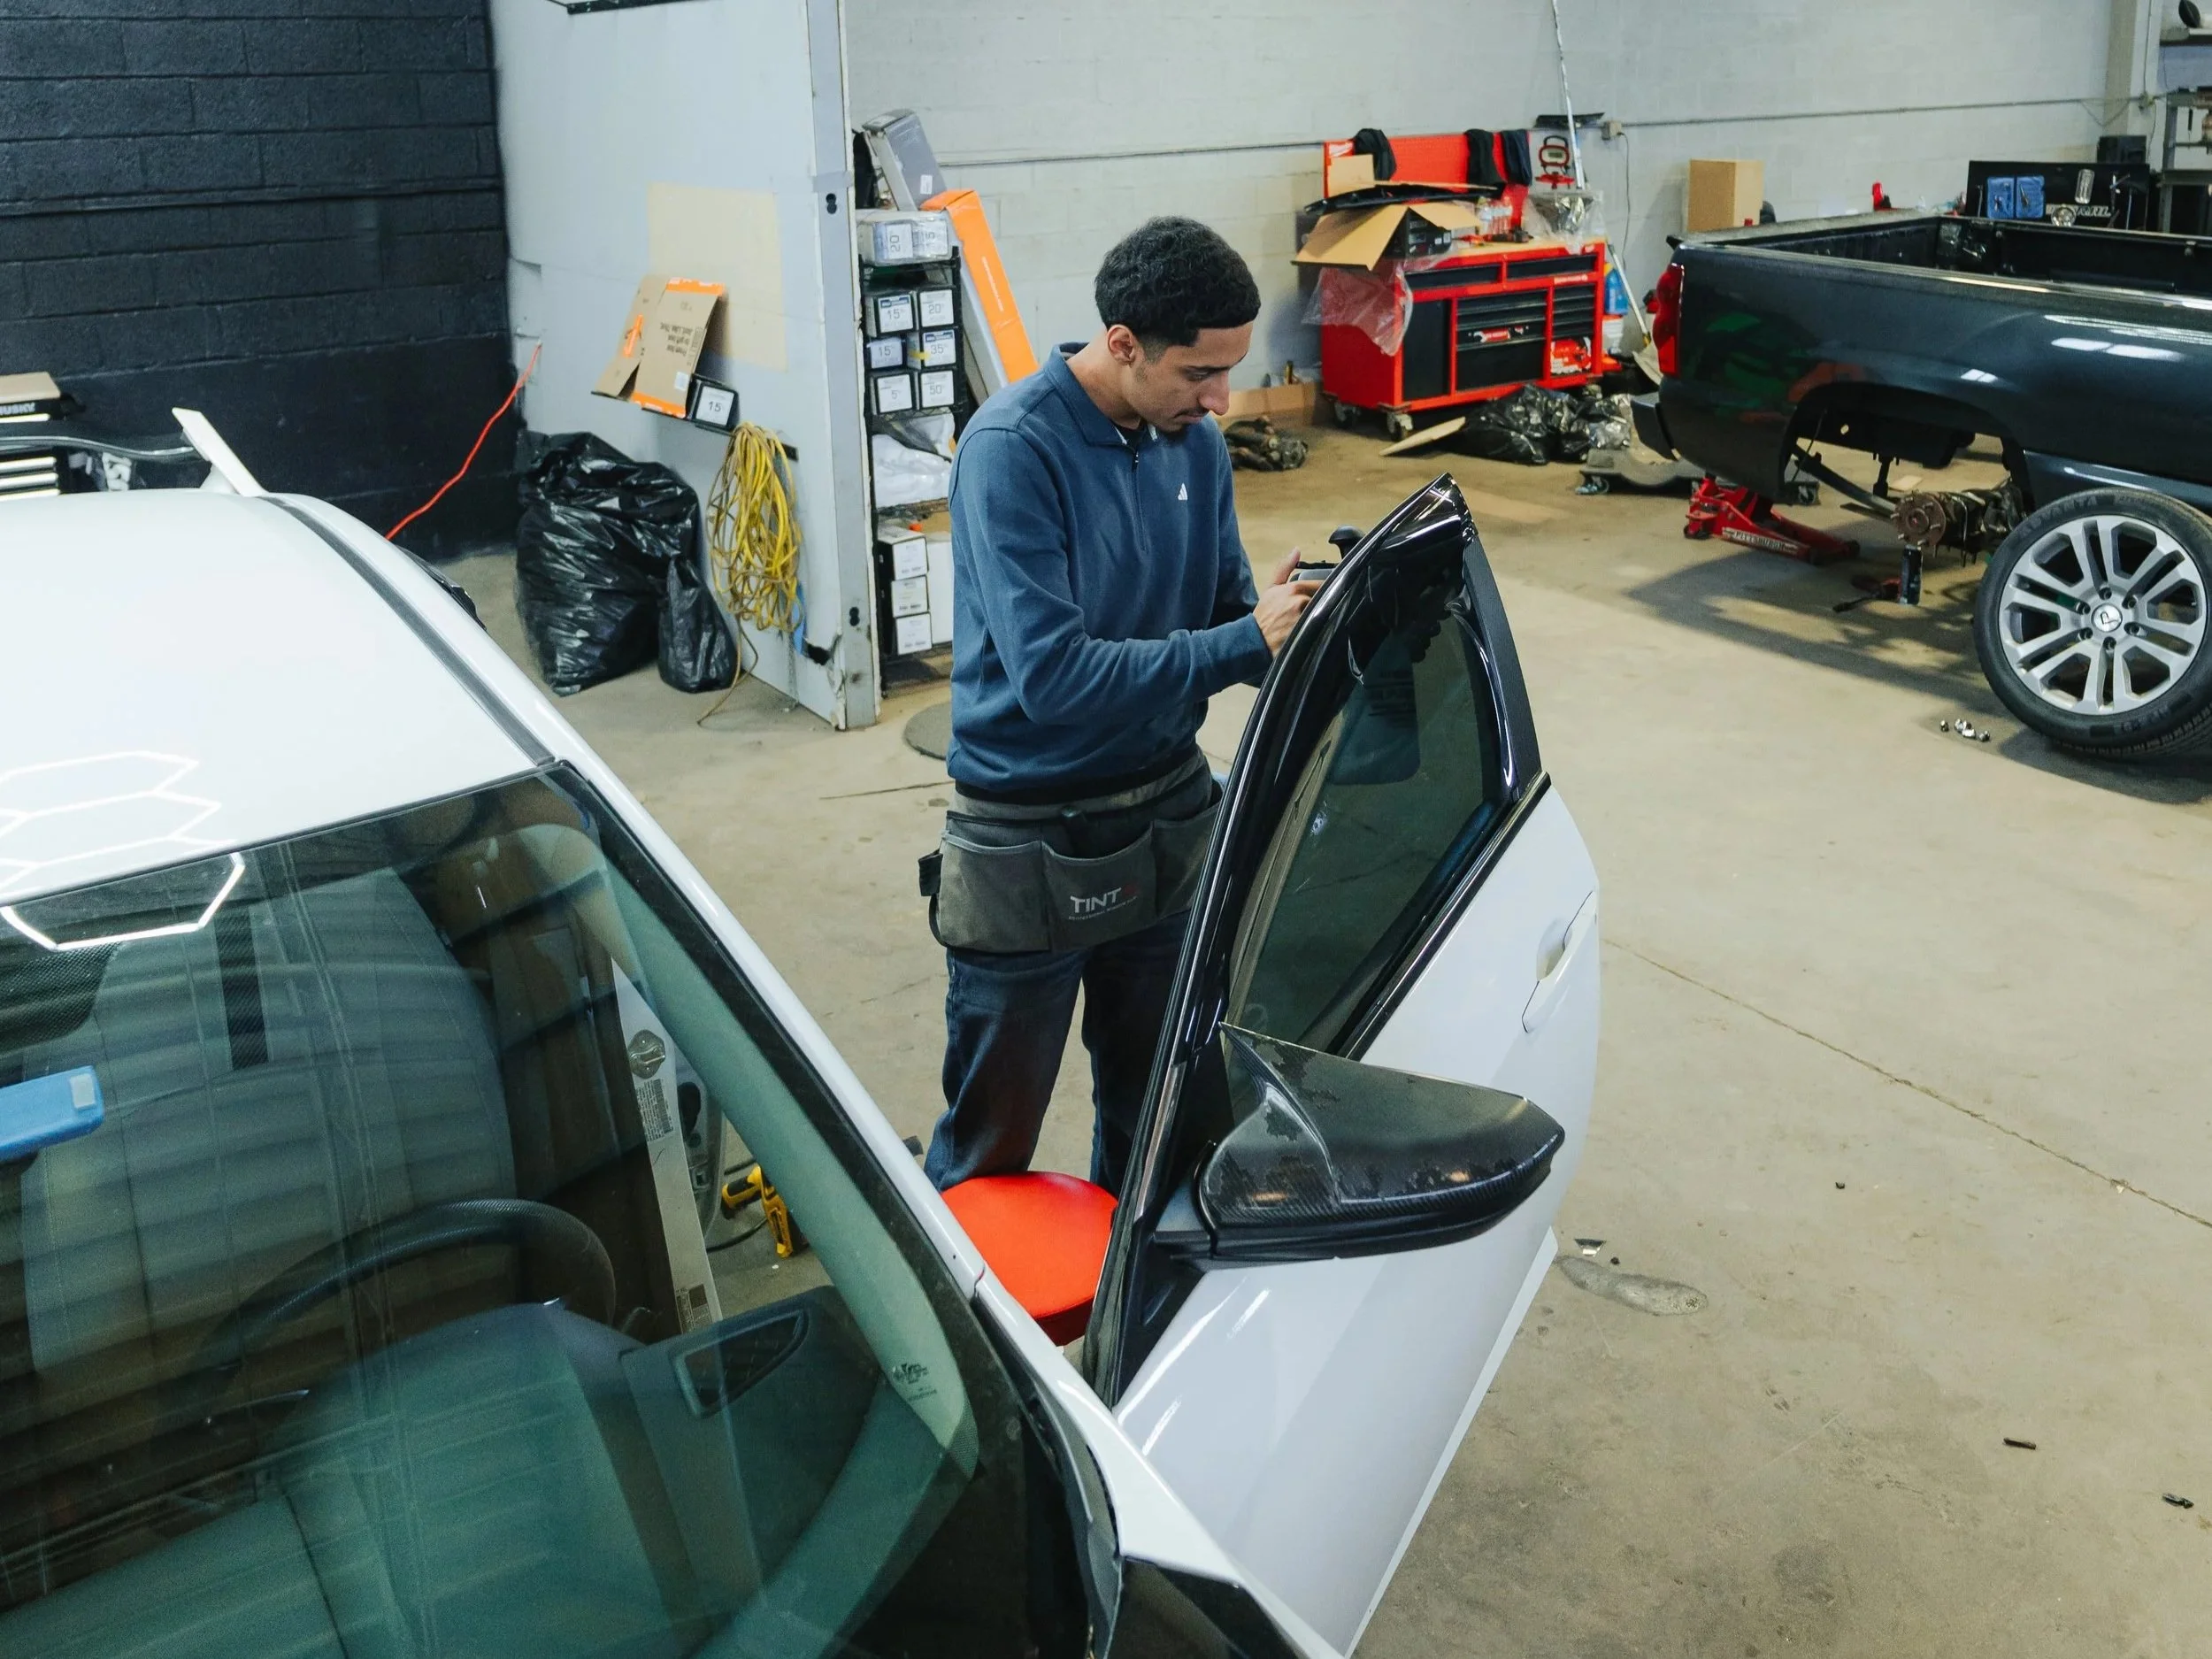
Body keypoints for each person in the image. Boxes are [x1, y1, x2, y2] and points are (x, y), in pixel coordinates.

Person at [919, 216, 1317, 1196]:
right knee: (992, 1137)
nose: (1221, 400)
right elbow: (1052, 678)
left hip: (1167, 817)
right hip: (1028, 832)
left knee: (1155, 1115)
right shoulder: (1013, 449)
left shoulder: (1195, 446)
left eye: (1231, 370)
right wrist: (1242, 641)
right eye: (1199, 373)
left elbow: (1225, 614)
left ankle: (1121, 1282)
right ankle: (961, 1293)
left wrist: (1314, 625)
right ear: (1124, 343)